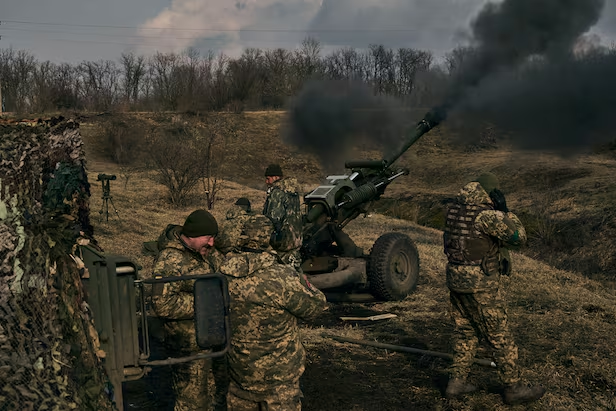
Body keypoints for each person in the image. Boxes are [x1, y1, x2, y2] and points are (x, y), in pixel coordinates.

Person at [442, 172, 546, 405]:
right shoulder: (487, 216)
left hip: (455, 278)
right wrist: (505, 211)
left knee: (465, 331)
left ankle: (456, 382)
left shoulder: (453, 210)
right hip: (481, 283)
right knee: (499, 335)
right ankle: (514, 388)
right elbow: (519, 237)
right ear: (490, 193)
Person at [216, 212, 327, 411]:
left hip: (240, 373)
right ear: (271, 239)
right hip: (279, 380)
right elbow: (316, 307)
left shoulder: (221, 275)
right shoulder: (282, 277)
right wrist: (301, 280)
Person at [150, 209, 229, 411]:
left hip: (214, 340)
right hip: (188, 346)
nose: (212, 243)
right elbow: (162, 303)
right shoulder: (170, 260)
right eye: (208, 238)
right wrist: (206, 304)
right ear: (191, 236)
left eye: (213, 238)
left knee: (216, 397)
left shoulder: (208, 253)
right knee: (192, 403)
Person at [262, 164, 303, 270]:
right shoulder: (293, 192)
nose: (266, 182)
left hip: (281, 242)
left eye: (268, 179)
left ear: (276, 177)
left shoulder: (277, 193)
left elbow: (273, 218)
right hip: (295, 240)